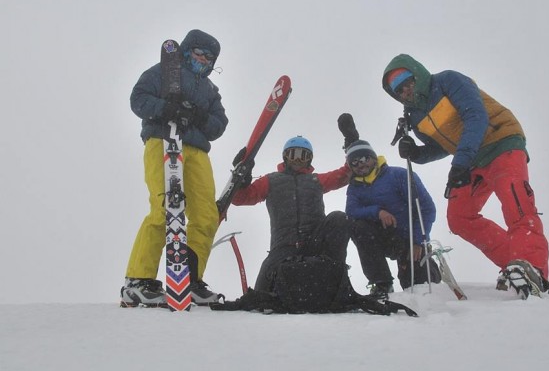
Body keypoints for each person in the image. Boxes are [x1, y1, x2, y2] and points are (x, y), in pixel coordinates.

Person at [382, 54, 549, 297]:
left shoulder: (448, 81)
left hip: (501, 141)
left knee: (515, 201)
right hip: (471, 160)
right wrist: (417, 153)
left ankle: (533, 269)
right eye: (397, 89)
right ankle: (516, 267)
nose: (405, 89)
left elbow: (476, 117)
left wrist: (460, 163)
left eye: (407, 80)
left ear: (417, 73)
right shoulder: (414, 115)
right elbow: (440, 145)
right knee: (459, 217)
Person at [121, 29, 229, 307]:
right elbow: (138, 98)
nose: (203, 60)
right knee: (164, 209)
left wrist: (199, 115)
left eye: (209, 58)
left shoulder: (209, 90)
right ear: (186, 50)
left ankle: (189, 279)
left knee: (206, 215)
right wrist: (167, 109)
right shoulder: (164, 72)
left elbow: (219, 125)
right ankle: (138, 279)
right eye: (199, 53)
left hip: (196, 151)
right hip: (163, 141)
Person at [231, 136, 351, 292]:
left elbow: (344, 175)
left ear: (309, 159)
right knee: (262, 292)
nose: (298, 160)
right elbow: (240, 198)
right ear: (285, 157)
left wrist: (351, 146)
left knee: (339, 218)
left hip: (314, 243)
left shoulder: (315, 180)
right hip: (283, 246)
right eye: (294, 154)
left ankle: (334, 271)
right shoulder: (271, 180)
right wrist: (241, 180)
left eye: (304, 156)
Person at [344, 139, 440, 300]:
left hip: (409, 237)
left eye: (364, 158)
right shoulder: (354, 187)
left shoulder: (399, 175)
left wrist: (418, 241)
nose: (360, 164)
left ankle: (429, 268)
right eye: (354, 162)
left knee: (418, 287)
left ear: (373, 158)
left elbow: (426, 208)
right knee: (357, 226)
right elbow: (351, 211)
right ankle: (382, 282)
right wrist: (378, 212)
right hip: (383, 236)